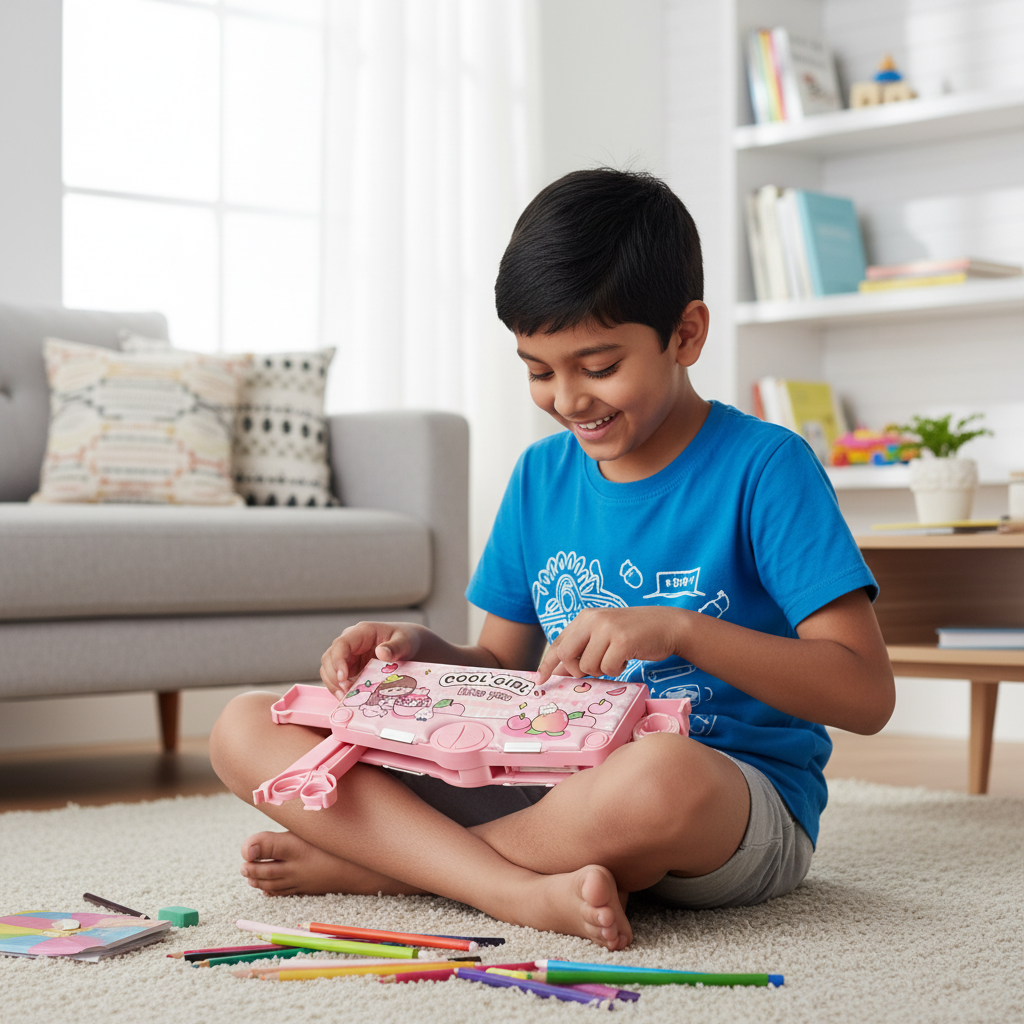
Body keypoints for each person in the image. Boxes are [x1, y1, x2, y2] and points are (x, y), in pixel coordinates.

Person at [209, 169, 895, 951]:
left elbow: (866, 694)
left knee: (661, 773)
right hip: (539, 789)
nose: (568, 399)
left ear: (687, 334)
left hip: (719, 804)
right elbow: (501, 665)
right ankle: (510, 885)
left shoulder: (767, 467)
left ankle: (397, 869)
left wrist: (680, 632)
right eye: (538, 370)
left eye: (598, 367)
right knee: (243, 726)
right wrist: (419, 653)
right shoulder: (541, 476)